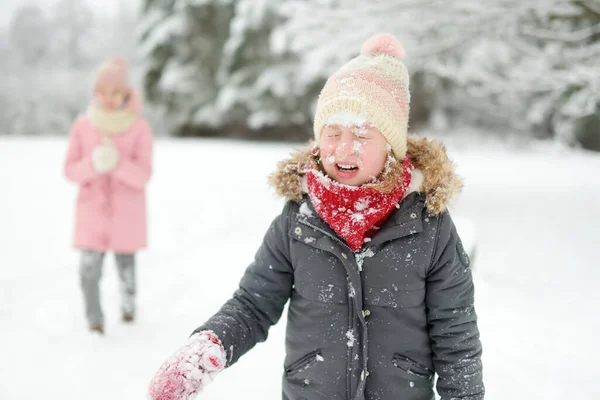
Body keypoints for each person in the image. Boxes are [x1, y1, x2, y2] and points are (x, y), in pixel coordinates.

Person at [147, 33, 483, 400]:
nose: (344, 147)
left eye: (362, 134)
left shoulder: (429, 226)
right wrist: (207, 347)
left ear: (392, 145)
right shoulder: (298, 220)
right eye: (332, 133)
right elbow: (253, 303)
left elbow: (456, 333)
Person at [64, 57, 153, 335]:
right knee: (88, 270)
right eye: (102, 91)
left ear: (125, 93)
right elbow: (69, 170)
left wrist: (117, 164)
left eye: (115, 92)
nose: (108, 98)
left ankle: (129, 312)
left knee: (126, 268)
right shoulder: (83, 125)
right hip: (91, 214)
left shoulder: (139, 127)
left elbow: (144, 175)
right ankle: (94, 320)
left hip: (127, 214)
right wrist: (93, 164)